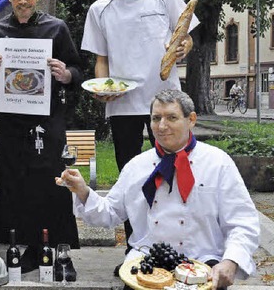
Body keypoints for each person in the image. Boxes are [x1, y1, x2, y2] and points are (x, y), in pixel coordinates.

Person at [59, 89, 260, 290]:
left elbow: (242, 221)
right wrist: (83, 191)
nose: (162, 126)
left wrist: (231, 261)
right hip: (145, 267)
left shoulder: (218, 163)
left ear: (191, 120)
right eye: (156, 118)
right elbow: (109, 213)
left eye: (171, 117)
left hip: (203, 267)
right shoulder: (136, 166)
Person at [81, 0, 200, 253]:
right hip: (123, 105)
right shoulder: (99, 9)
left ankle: (179, 245)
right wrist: (101, 87)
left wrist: (183, 46)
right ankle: (137, 248)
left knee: (177, 170)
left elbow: (183, 36)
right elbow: (101, 60)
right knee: (131, 181)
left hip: (166, 102)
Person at [0, 0, 83, 273]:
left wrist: (65, 74)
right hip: (12, 123)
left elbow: (76, 71)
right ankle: (31, 249)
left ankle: (60, 252)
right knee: (17, 186)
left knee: (53, 186)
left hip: (48, 121)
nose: (23, 1)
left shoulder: (57, 28)